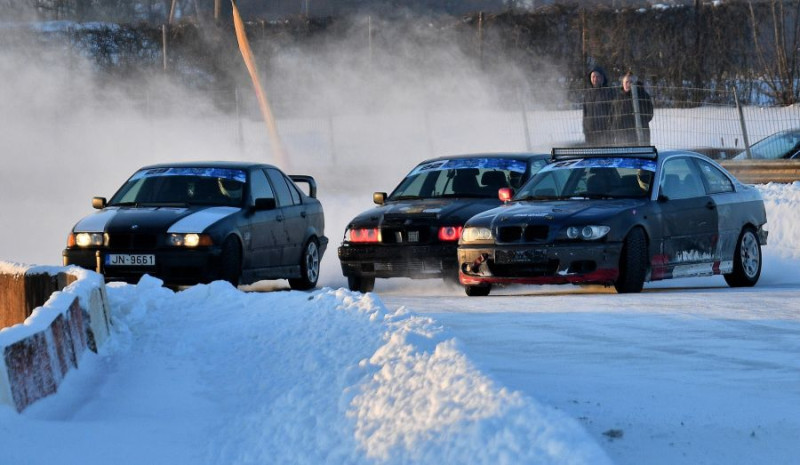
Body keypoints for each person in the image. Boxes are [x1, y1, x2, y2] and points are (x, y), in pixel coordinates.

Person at [613, 71, 654, 145]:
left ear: (634, 83)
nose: (628, 84)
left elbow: (649, 114)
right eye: (626, 82)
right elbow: (614, 116)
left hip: (640, 135)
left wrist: (638, 121)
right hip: (623, 137)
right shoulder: (618, 98)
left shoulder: (643, 95)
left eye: (630, 82)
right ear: (622, 83)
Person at [582, 66, 615, 146]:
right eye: (593, 77)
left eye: (598, 76)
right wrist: (585, 129)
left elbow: (614, 112)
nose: (595, 79)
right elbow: (585, 114)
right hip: (590, 134)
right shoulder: (587, 94)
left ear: (603, 78)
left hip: (605, 133)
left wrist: (611, 130)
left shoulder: (609, 92)